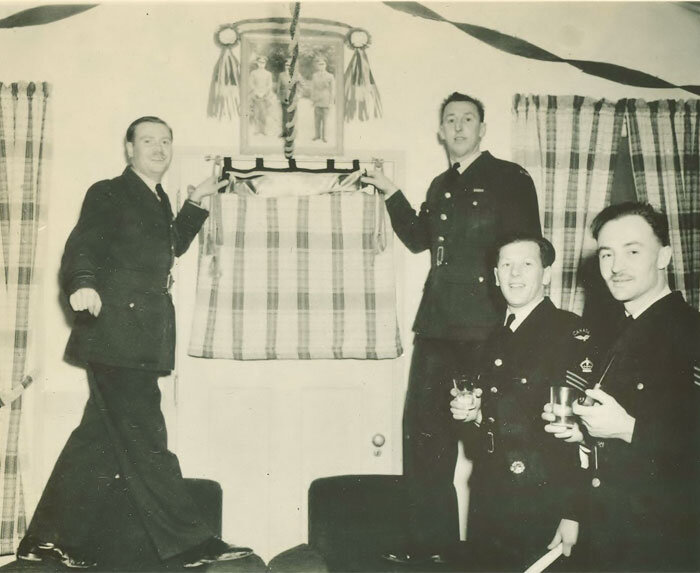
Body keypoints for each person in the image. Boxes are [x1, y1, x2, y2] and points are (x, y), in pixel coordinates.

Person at [16, 117, 253, 569]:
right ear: (129, 149)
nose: (159, 148)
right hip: (115, 335)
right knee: (148, 437)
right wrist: (83, 283)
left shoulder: (158, 199)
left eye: (166, 141)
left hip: (139, 339)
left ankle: (46, 539)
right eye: (148, 140)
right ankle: (191, 543)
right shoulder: (108, 191)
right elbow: (81, 246)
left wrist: (196, 204)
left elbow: (169, 247)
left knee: (97, 441)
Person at [361, 92, 541, 564]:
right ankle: (429, 550)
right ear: (440, 132)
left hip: (486, 328)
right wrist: (389, 190)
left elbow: (528, 249)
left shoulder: (508, 178)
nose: (458, 127)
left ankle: (496, 550)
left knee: (493, 441)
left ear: (483, 128)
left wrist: (517, 319)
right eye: (450, 121)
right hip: (437, 327)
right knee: (422, 438)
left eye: (467, 119)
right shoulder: (442, 184)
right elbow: (419, 240)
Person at [543, 201, 700, 572]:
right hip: (609, 532)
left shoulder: (691, 333)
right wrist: (582, 435)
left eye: (632, 251)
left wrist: (627, 429)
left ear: (664, 256)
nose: (616, 267)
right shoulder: (612, 332)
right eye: (606, 254)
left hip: (668, 540)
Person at [450, 235, 590, 571]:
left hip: (546, 504)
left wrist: (575, 512)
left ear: (546, 274)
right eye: (506, 265)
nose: (515, 274)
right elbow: (490, 431)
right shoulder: (488, 339)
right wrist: (474, 417)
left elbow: (587, 438)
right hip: (489, 498)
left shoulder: (572, 332)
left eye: (526, 264)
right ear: (495, 276)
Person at [309, 57, 334, 142]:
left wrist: (331, 101)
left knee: (325, 120)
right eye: (319, 64)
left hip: (326, 100)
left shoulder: (330, 76)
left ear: (326, 65)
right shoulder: (314, 75)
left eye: (323, 64)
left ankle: (325, 136)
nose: (321, 66)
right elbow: (312, 88)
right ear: (317, 66)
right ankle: (317, 135)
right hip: (317, 100)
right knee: (317, 120)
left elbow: (332, 90)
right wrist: (312, 100)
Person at [249, 55, 273, 136]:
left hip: (265, 96)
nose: (261, 64)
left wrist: (264, 93)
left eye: (263, 62)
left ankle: (263, 130)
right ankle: (256, 130)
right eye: (260, 62)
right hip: (256, 96)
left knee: (263, 114)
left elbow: (269, 84)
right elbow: (251, 83)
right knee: (256, 113)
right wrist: (256, 92)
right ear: (257, 63)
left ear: (265, 63)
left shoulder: (268, 74)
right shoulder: (253, 73)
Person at [277, 58, 292, 138]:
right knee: (284, 116)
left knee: (291, 116)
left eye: (289, 65)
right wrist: (278, 97)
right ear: (284, 66)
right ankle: (284, 132)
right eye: (286, 65)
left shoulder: (295, 75)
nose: (288, 66)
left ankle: (290, 133)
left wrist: (298, 95)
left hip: (292, 99)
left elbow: (300, 86)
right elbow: (278, 87)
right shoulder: (281, 75)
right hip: (283, 98)